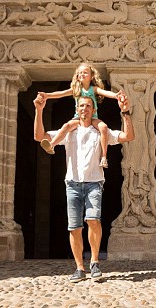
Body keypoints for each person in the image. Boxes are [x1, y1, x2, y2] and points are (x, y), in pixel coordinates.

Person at [33, 92, 134, 283]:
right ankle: (79, 268)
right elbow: (40, 136)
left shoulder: (101, 132)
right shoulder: (69, 131)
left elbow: (128, 136)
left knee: (93, 220)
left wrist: (125, 112)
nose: (84, 109)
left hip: (94, 182)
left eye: (88, 106)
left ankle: (94, 262)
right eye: (81, 106)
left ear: (93, 110)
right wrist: (39, 110)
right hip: (72, 183)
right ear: (77, 110)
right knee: (74, 228)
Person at [37, 63, 124, 168]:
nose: (82, 74)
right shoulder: (76, 90)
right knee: (66, 126)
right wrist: (47, 95)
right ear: (77, 76)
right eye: (80, 73)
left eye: (85, 72)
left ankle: (104, 157)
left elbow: (105, 93)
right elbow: (61, 93)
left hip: (93, 117)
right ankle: (52, 145)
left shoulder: (94, 89)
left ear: (91, 76)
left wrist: (116, 96)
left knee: (103, 127)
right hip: (78, 117)